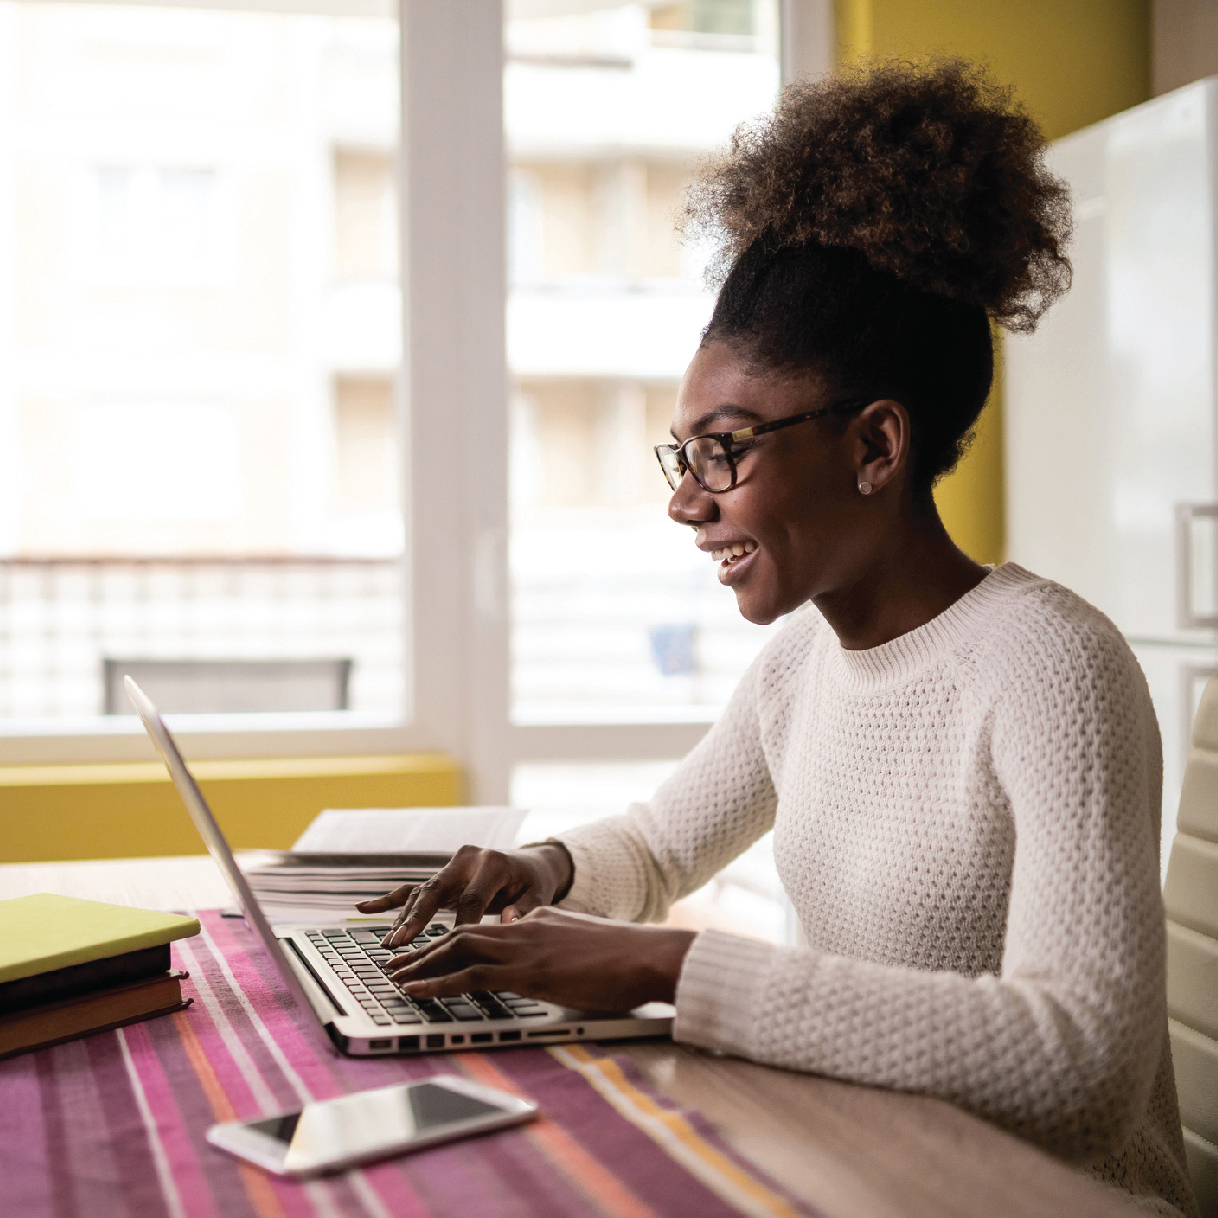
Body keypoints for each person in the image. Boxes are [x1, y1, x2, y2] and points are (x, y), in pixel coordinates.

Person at [358, 60, 1194, 1215]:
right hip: (872, 1171)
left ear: (876, 446)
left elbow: (1080, 1058)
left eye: (727, 450)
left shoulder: (1050, 666)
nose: (686, 501)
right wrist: (542, 872)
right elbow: (658, 849)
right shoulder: (803, 664)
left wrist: (666, 968)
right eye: (683, 454)